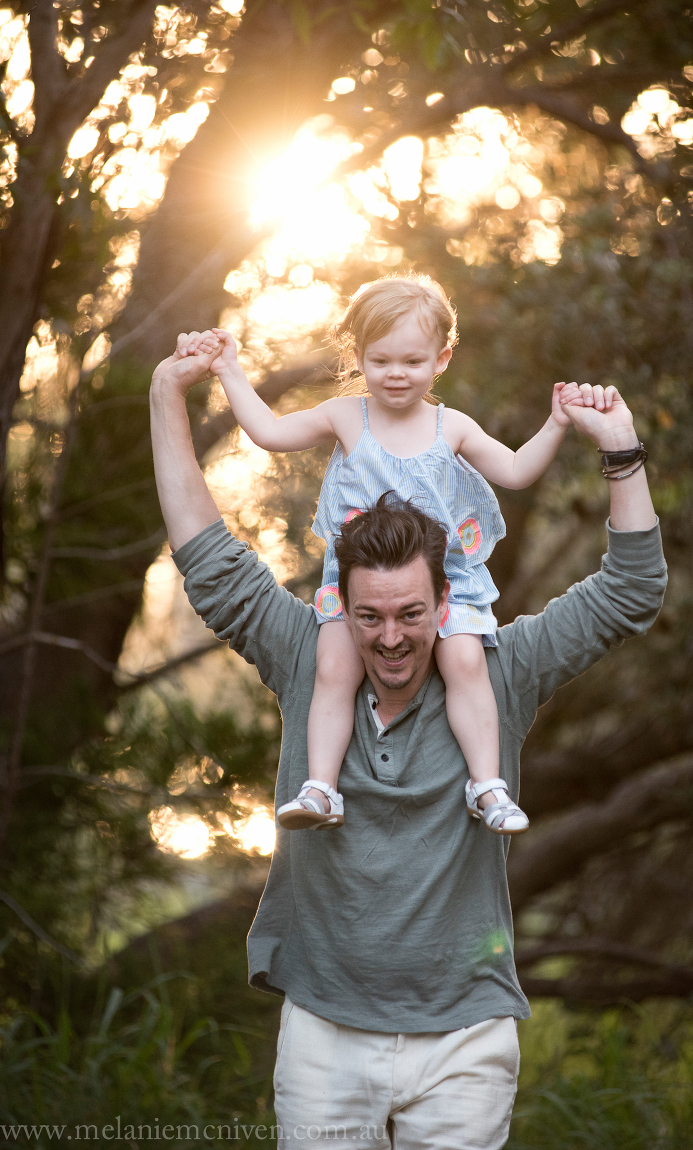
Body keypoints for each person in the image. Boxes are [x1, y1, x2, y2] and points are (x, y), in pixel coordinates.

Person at [150, 323, 666, 1150]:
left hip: (466, 1037)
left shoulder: (500, 671)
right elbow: (204, 551)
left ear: (447, 602)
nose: (390, 639)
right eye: (368, 618)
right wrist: (166, 393)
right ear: (338, 608)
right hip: (323, 1031)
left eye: (412, 616)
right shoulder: (304, 655)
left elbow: (630, 593)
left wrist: (620, 452)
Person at [183, 275, 581, 836]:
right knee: (333, 667)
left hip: (445, 583)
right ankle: (321, 786)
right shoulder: (347, 417)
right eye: (381, 360)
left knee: (467, 664)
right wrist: (227, 369)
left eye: (413, 361)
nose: (397, 374)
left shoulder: (453, 427)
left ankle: (487, 785)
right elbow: (269, 432)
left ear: (441, 359)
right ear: (359, 357)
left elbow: (516, 471)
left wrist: (558, 421)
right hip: (358, 587)